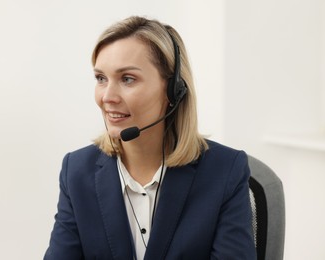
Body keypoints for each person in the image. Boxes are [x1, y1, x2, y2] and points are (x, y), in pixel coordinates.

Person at [44, 16, 256, 260]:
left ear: (173, 90)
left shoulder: (225, 171)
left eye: (127, 79)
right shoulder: (77, 172)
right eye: (101, 78)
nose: (107, 96)